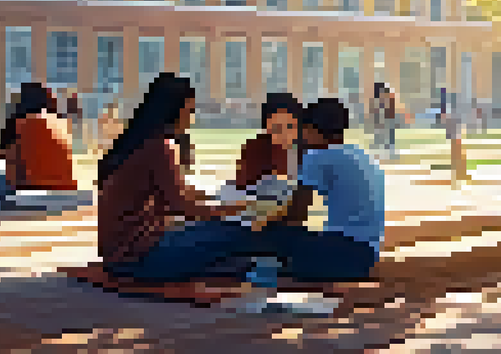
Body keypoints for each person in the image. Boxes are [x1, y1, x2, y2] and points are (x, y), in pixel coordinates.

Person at [97, 73, 271, 283]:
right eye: (189, 111)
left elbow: (179, 193)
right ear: (174, 111)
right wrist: (238, 209)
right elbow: (184, 206)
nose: (191, 118)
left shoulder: (140, 144)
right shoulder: (161, 147)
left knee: (216, 235)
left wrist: (219, 201)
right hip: (137, 259)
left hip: (118, 257)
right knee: (240, 232)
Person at [263, 98, 384, 282]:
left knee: (272, 232)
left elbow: (296, 214)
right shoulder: (361, 154)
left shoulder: (318, 156)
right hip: (366, 256)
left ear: (310, 129)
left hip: (339, 254)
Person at [235, 93, 305, 189]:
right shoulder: (255, 149)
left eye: (290, 126)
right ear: (267, 129)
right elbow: (242, 187)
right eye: (276, 128)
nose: (284, 134)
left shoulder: (309, 151)